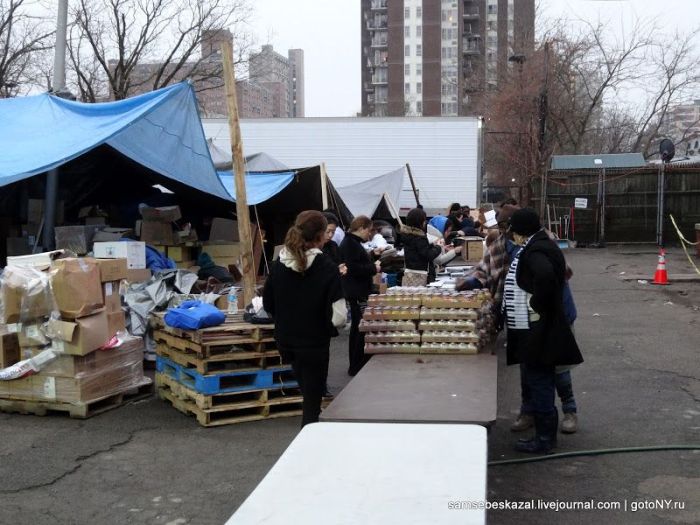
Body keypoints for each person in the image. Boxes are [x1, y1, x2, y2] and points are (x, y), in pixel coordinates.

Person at [458, 205, 581, 434]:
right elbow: (485, 269)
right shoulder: (501, 244)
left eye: (508, 227)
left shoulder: (539, 245)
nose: (506, 231)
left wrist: (537, 301)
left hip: (555, 314)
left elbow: (560, 273)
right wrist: (470, 283)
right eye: (503, 227)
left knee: (558, 366)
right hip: (524, 318)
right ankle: (529, 411)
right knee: (528, 366)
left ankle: (569, 410)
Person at [503, 208, 583, 453]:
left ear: (521, 231)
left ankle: (545, 439)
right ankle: (544, 434)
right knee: (542, 379)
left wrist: (537, 305)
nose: (512, 235)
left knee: (541, 380)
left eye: (513, 231)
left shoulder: (536, 250)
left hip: (538, 329)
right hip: (538, 326)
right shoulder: (541, 245)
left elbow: (546, 276)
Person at [263, 211, 347, 427]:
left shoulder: (279, 264)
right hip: (314, 343)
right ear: (320, 236)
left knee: (307, 392)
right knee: (312, 401)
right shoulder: (327, 267)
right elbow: (339, 317)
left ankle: (311, 437)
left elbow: (267, 305)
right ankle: (308, 444)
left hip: (286, 341)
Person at [339, 215, 381, 376]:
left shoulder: (352, 243)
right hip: (357, 292)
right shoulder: (350, 244)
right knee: (359, 330)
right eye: (369, 230)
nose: (369, 234)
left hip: (357, 290)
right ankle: (356, 364)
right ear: (361, 228)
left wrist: (372, 257)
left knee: (359, 328)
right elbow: (354, 268)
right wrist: (373, 268)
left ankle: (357, 363)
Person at [403, 208, 460, 283]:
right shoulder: (420, 237)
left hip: (410, 273)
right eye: (423, 220)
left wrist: (433, 245)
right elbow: (428, 255)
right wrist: (439, 247)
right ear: (419, 222)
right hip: (420, 275)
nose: (425, 223)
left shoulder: (409, 235)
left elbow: (421, 250)